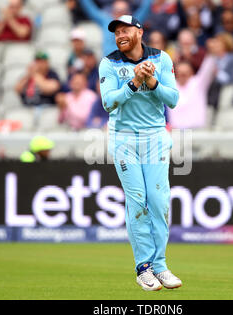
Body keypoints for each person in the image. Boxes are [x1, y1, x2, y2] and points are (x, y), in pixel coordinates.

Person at [99, 15, 181, 291]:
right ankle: (144, 268)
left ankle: (161, 265)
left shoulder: (161, 59)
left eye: (125, 30)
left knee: (158, 201)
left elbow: (173, 99)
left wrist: (152, 81)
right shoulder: (109, 63)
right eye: (116, 32)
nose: (120, 35)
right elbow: (109, 103)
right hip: (123, 139)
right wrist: (134, 82)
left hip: (155, 137)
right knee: (137, 200)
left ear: (139, 31)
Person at [168, 39, 216, 129]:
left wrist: (212, 52)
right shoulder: (170, 86)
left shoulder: (198, 83)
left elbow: (208, 68)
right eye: (181, 73)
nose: (183, 75)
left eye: (186, 73)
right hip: (176, 131)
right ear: (176, 73)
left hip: (197, 131)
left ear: (191, 73)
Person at [79, 0, 153, 56]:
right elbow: (91, 10)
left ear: (128, 13)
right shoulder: (106, 21)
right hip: (108, 64)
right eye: (117, 11)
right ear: (112, 12)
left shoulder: (132, 22)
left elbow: (145, 8)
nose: (120, 14)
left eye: (123, 11)